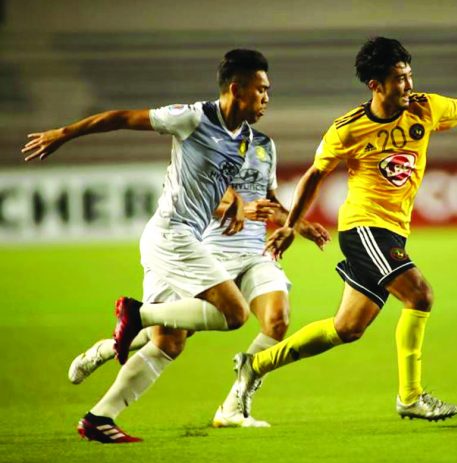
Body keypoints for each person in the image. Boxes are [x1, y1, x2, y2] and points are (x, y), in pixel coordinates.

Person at [231, 37, 457, 422]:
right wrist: (292, 225)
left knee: (346, 328)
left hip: (393, 231)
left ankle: (255, 365)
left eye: (410, 76)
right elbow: (315, 175)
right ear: (375, 85)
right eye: (399, 79)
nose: (409, 86)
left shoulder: (425, 108)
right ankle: (410, 397)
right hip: (365, 226)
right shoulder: (348, 129)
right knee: (421, 296)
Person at [22, 49, 322, 442]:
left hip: (183, 237)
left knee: (169, 342)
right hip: (172, 235)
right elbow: (121, 118)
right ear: (237, 89)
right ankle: (137, 314)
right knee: (233, 314)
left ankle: (99, 417)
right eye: (261, 90)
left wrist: (254, 211)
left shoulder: (249, 140)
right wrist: (64, 134)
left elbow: (227, 188)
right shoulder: (193, 117)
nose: (268, 97)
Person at [68, 193, 329, 429]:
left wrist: (299, 225)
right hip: (208, 255)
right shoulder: (207, 145)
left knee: (277, 319)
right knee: (167, 338)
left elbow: (271, 203)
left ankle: (232, 408)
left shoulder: (262, 146)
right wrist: (239, 209)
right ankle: (107, 348)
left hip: (255, 255)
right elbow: (192, 199)